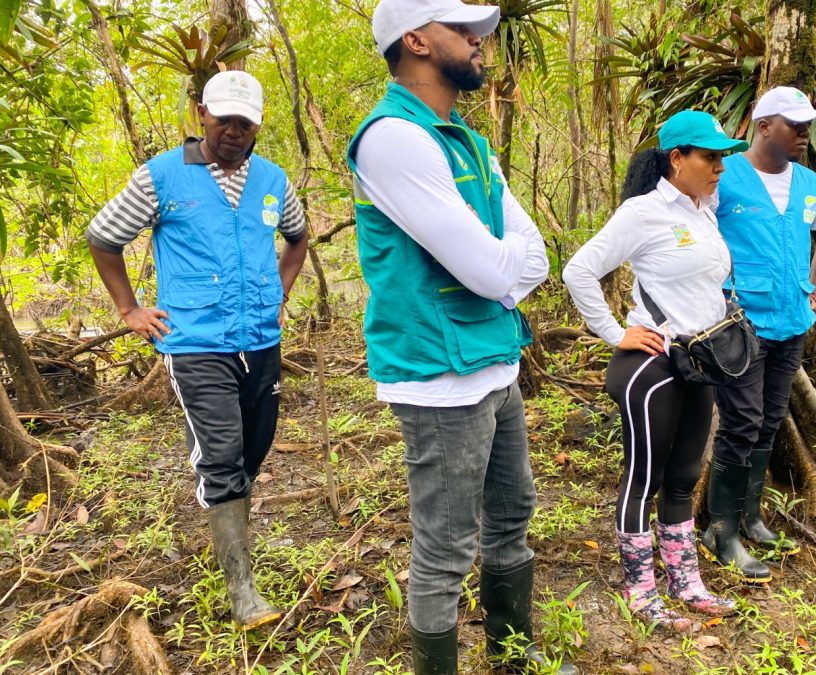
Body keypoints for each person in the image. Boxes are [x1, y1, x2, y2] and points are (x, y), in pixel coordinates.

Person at [346, 2, 572, 673]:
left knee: (513, 511)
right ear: (416, 40)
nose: (479, 41)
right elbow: (491, 269)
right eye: (463, 29)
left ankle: (512, 653)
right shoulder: (394, 139)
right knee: (446, 544)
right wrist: (501, 265)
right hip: (440, 373)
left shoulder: (466, 140)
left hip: (492, 357)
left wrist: (501, 265)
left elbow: (533, 257)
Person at [86, 71, 309, 629]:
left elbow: (297, 237)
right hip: (195, 343)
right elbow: (103, 237)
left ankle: (229, 531)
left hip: (261, 339)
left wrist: (279, 293)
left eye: (244, 123)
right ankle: (242, 590)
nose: (233, 131)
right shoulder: (161, 176)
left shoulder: (272, 179)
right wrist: (129, 310)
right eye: (223, 119)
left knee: (254, 448)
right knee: (222, 455)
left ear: (257, 126)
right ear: (202, 115)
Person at [563, 111, 749, 631]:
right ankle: (641, 590)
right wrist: (613, 332)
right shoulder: (643, 213)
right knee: (644, 479)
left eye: (722, 157)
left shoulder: (704, 211)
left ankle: (685, 582)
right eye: (710, 157)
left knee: (684, 476)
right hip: (653, 366)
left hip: (699, 362)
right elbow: (579, 270)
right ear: (677, 158)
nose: (720, 167)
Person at [700, 86, 816, 582]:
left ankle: (751, 516)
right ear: (763, 126)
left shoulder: (811, 185)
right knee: (741, 422)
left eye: (809, 126)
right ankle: (720, 531)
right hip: (738, 326)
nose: (805, 134)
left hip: (791, 324)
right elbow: (692, 237)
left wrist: (814, 293)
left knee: (769, 420)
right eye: (795, 125)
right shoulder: (724, 177)